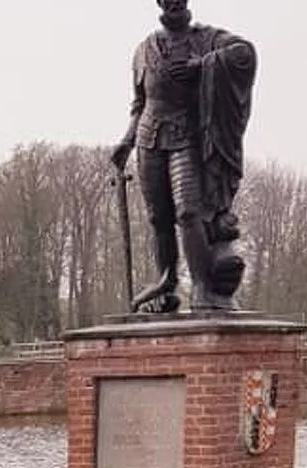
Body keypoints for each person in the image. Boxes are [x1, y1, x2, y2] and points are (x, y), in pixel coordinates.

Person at [111, 0, 257, 312]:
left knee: (189, 213)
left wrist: (201, 65)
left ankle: (203, 287)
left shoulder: (206, 39)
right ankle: (166, 281)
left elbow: (244, 54)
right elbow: (139, 103)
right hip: (149, 139)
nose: (175, 2)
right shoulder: (143, 50)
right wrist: (127, 141)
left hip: (186, 136)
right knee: (158, 218)